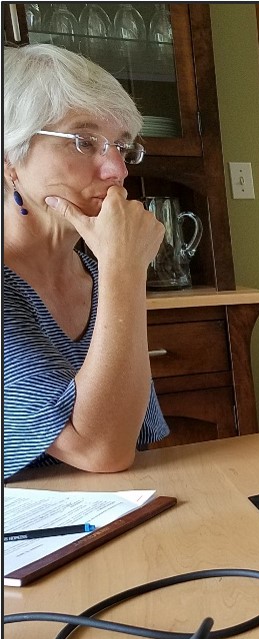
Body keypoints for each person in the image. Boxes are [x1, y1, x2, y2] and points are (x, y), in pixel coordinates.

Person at [3, 44, 169, 480]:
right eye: (83, 140)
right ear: (10, 161)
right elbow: (103, 451)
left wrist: (116, 270)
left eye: (121, 147)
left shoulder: (97, 274)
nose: (117, 170)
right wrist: (125, 269)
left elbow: (139, 441)